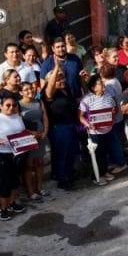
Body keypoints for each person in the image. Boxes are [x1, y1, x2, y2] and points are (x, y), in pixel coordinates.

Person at [0, 93, 30, 221]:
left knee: (15, 180)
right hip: (2, 155)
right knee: (6, 181)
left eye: (14, 105)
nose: (11, 107)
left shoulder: (17, 117)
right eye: (8, 105)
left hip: (18, 154)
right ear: (1, 106)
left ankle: (12, 203)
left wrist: (30, 136)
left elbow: (22, 132)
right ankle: (3, 209)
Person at [43, 63, 80, 192]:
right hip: (59, 128)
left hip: (71, 125)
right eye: (58, 79)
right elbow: (50, 85)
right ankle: (61, 179)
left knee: (71, 153)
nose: (62, 80)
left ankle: (69, 175)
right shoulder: (49, 94)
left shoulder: (66, 89)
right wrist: (57, 67)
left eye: (62, 77)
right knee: (61, 154)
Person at [80, 75, 122, 183]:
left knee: (105, 152)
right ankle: (97, 177)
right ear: (93, 87)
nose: (103, 85)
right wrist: (88, 124)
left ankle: (104, 172)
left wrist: (114, 111)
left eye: (103, 82)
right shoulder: (87, 99)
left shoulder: (109, 96)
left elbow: (115, 109)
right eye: (100, 83)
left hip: (108, 130)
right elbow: (80, 116)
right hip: (95, 132)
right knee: (97, 154)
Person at [19, 81, 48, 203]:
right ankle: (30, 191)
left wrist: (45, 131)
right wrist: (31, 133)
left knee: (40, 162)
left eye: (31, 88)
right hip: (27, 138)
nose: (30, 91)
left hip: (41, 136)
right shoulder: (18, 105)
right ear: (21, 92)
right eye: (26, 89)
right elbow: (18, 123)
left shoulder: (39, 101)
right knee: (29, 165)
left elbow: (45, 117)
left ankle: (39, 187)